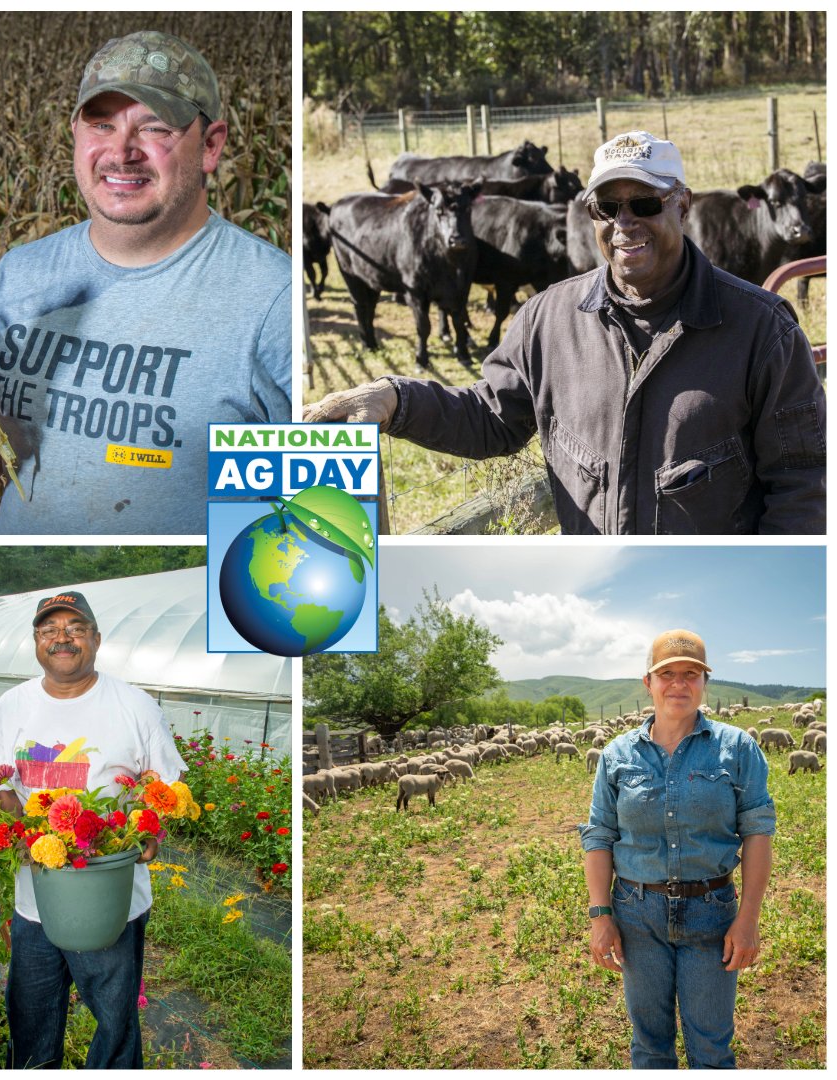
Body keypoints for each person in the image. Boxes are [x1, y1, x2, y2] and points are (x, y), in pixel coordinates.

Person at [0, 30, 291, 534]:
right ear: (75, 133)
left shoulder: (272, 297)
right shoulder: (19, 275)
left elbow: (335, 513)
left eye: (154, 128)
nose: (122, 151)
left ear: (211, 146)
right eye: (101, 123)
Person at [304, 130, 825, 534]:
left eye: (644, 203)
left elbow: (803, 483)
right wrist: (394, 399)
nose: (625, 223)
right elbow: (491, 417)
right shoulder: (547, 319)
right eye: (607, 207)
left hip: (708, 583)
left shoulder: (762, 330)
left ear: (682, 205)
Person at [0, 589, 186, 1068]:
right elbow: (2, 784)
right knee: (30, 1015)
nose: (62, 639)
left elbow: (168, 785)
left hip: (111, 899)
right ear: (36, 642)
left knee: (115, 1020)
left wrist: (149, 834)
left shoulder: (134, 706)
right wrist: (25, 835)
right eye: (50, 630)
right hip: (37, 901)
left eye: (74, 629)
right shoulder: (12, 705)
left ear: (96, 638)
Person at [579, 629, 775, 1068]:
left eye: (691, 674)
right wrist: (600, 915)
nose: (679, 684)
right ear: (648, 682)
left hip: (711, 911)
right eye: (667, 673)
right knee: (649, 1044)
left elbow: (758, 833)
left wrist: (748, 919)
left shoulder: (737, 748)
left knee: (710, 1045)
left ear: (705, 682)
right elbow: (599, 836)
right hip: (636, 914)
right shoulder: (617, 755)